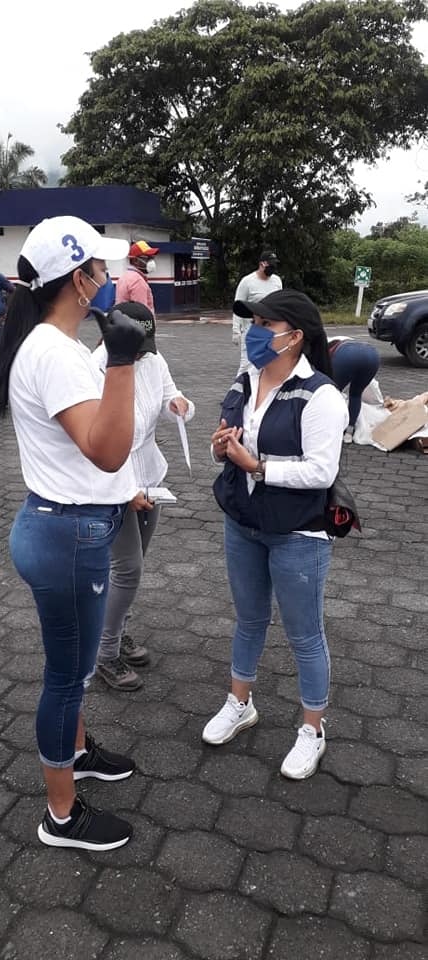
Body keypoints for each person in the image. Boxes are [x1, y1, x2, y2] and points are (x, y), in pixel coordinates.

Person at [0, 215, 146, 851]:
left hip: (65, 527)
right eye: (101, 268)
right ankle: (61, 816)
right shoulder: (54, 353)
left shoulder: (51, 343)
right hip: (68, 536)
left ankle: (78, 752)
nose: (110, 277)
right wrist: (124, 360)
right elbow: (105, 451)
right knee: (68, 677)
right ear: (79, 281)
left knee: (73, 670)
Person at [204, 289, 348, 780]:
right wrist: (221, 448)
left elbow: (321, 472)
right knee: (249, 619)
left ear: (295, 336)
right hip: (242, 522)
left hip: (298, 533)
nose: (255, 332)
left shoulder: (321, 395)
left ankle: (313, 728)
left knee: (305, 635)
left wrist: (258, 466)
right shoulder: (246, 378)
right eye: (254, 323)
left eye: (266, 325)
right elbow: (225, 445)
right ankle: (240, 703)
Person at [92, 301, 195, 691]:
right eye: (134, 348)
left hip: (150, 475)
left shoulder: (152, 359)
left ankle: (116, 632)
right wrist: (125, 490)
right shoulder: (93, 368)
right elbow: (95, 441)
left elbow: (171, 396)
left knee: (130, 570)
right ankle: (104, 653)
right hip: (111, 481)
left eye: (144, 348)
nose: (141, 356)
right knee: (127, 568)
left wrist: (179, 406)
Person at [232, 250, 282, 375]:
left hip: (271, 329)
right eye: (270, 264)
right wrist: (236, 330)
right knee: (247, 365)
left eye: (274, 264)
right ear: (262, 264)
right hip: (251, 328)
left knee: (268, 364)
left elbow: (280, 304)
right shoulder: (247, 281)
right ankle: (239, 386)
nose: (273, 267)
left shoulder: (277, 281)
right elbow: (237, 305)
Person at [328, 337, 381, 443]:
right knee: (356, 394)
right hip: (373, 355)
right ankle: (349, 432)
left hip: (346, 355)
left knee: (332, 393)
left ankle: (332, 428)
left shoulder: (326, 351)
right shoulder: (336, 342)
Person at [115, 240, 159, 315]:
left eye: (152, 258)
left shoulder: (124, 277)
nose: (151, 262)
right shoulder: (138, 281)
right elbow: (141, 313)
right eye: (148, 258)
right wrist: (147, 323)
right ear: (135, 260)